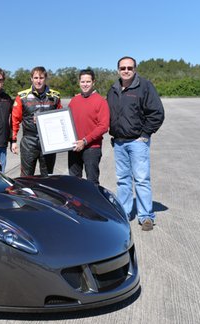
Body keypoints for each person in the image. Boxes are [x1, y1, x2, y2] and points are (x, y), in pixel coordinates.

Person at [107, 56, 165, 231]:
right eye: (123, 68)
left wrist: (146, 133)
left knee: (141, 180)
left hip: (137, 142)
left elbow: (157, 112)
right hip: (118, 142)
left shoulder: (144, 86)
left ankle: (146, 216)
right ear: (118, 70)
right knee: (123, 181)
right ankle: (124, 214)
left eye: (129, 68)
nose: (126, 71)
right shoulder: (113, 89)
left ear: (135, 69)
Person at [11, 66, 62, 176]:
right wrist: (13, 140)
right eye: (36, 78)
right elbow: (15, 120)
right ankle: (26, 194)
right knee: (26, 177)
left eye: (41, 78)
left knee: (47, 176)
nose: (38, 81)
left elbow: (61, 118)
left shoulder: (55, 96)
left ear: (45, 78)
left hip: (49, 142)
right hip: (29, 141)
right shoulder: (22, 97)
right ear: (31, 79)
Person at [67, 69, 110, 185]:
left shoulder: (101, 101)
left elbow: (103, 126)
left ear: (93, 82)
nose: (85, 84)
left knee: (92, 183)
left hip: (92, 148)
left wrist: (85, 141)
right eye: (82, 82)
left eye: (88, 82)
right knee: (74, 181)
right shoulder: (74, 101)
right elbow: (65, 120)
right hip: (74, 146)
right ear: (79, 82)